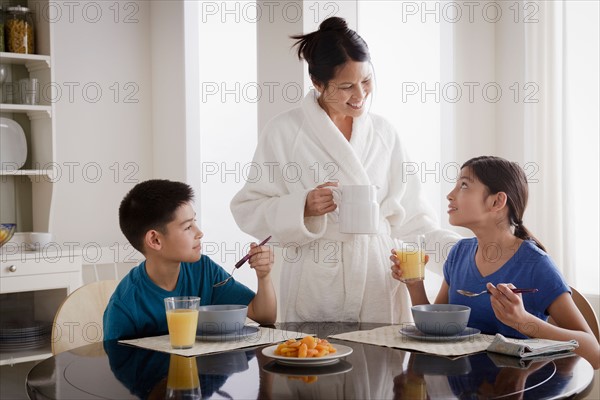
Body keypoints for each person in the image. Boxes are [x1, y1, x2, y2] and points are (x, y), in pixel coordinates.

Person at [230, 16, 459, 323]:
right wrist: (303, 207)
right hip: (313, 280)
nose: (361, 95)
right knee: (312, 363)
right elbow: (247, 208)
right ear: (318, 84)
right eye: (347, 86)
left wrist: (467, 256)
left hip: (375, 278)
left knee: (379, 367)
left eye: (366, 81)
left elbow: (413, 218)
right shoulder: (284, 132)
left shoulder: (383, 133)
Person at [391, 156, 600, 369]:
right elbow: (436, 328)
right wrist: (415, 284)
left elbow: (594, 352)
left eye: (463, 185)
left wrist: (523, 321)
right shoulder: (459, 253)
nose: (450, 195)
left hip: (519, 388)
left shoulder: (536, 264)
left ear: (497, 201)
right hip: (465, 387)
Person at [103, 179, 277, 341]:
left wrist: (264, 276)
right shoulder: (124, 306)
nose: (199, 232)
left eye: (195, 221)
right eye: (188, 227)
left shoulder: (203, 270)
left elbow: (264, 316)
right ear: (155, 240)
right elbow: (122, 367)